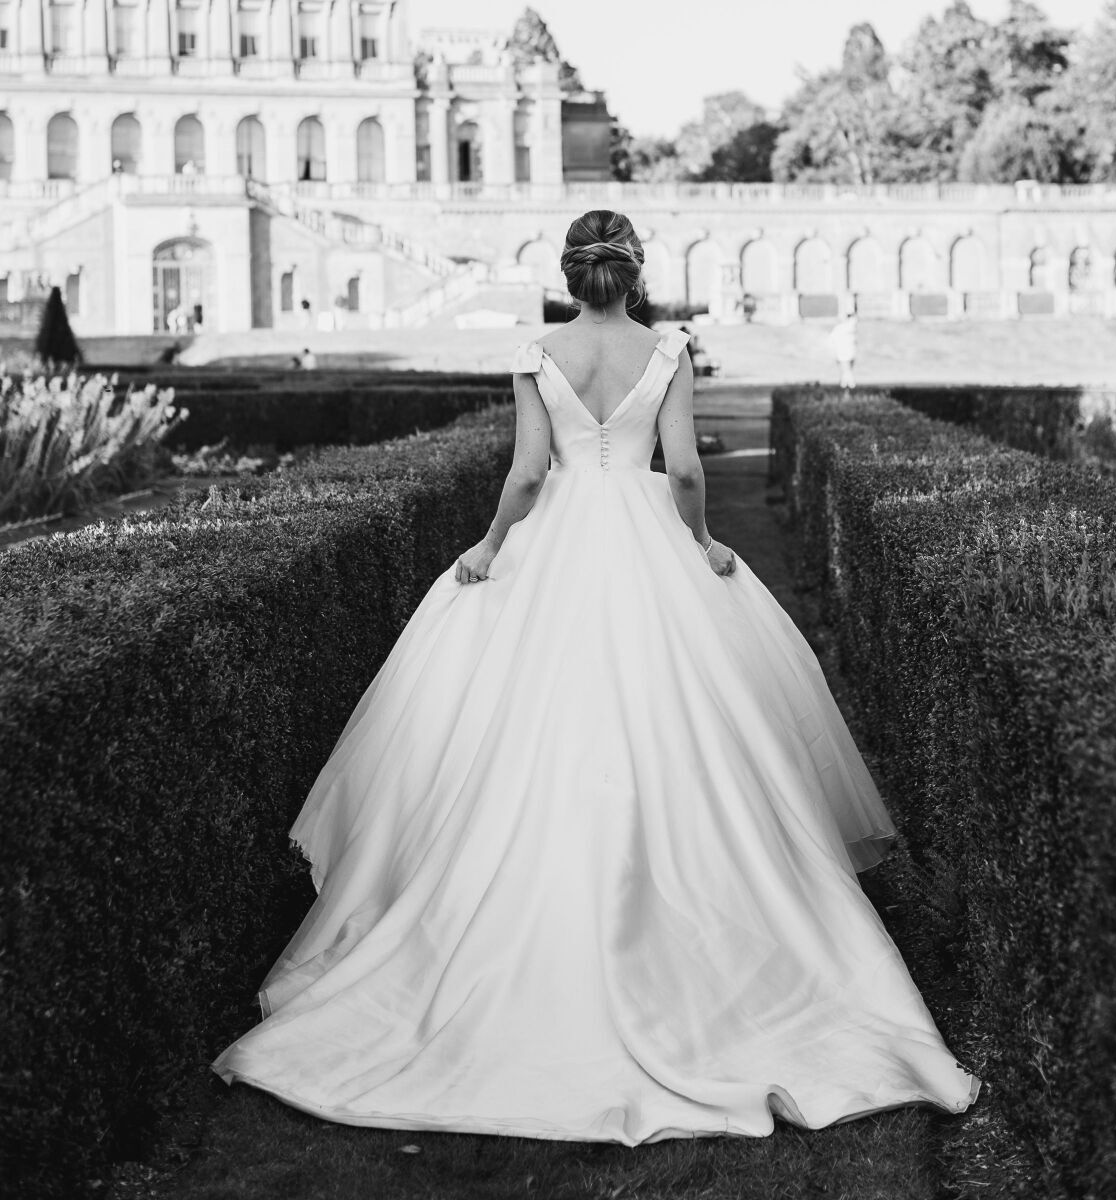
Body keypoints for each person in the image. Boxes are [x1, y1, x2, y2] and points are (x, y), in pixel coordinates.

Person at [212, 209, 979, 1143]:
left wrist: (492, 547)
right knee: (695, 726)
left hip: (562, 540)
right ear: (636, 272)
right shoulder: (669, 351)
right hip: (646, 537)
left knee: (518, 730)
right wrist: (698, 542)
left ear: (569, 276)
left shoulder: (539, 354)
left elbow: (531, 473)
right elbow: (687, 469)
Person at [829, 312, 858, 388]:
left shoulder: (843, 328)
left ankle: (845, 385)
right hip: (844, 353)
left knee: (846, 371)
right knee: (847, 371)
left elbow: (832, 339)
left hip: (847, 353)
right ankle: (849, 385)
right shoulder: (846, 328)